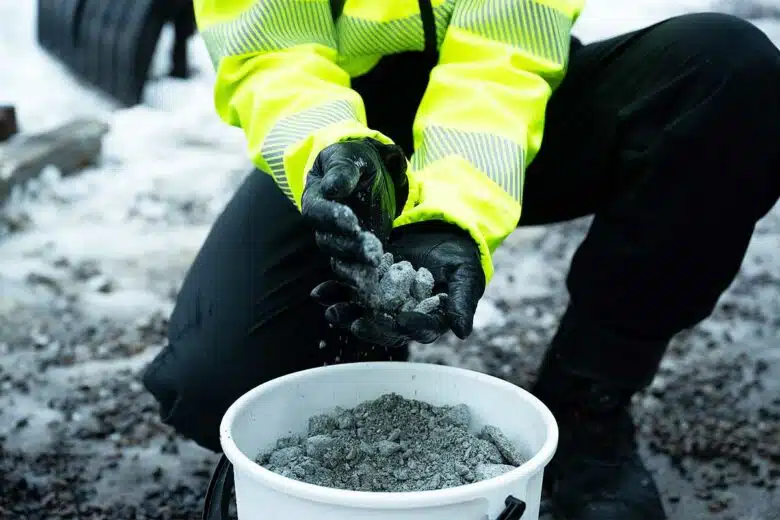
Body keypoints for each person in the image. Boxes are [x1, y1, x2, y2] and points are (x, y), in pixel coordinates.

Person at [142, 1, 780, 519]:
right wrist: (329, 151)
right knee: (217, 384)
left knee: (727, 70)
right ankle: (362, 358)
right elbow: (268, 47)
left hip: (513, 108)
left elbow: (505, 49)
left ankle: (590, 400)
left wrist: (450, 212)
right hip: (343, 115)